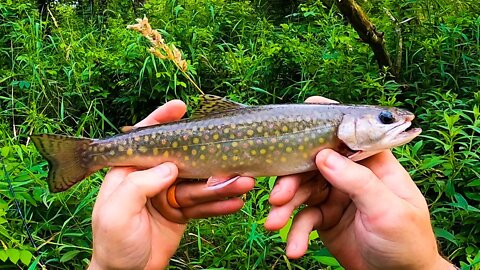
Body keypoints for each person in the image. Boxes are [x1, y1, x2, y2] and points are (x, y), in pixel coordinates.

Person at [87, 98, 456, 270]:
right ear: (350, 122)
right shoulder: (332, 132)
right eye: (386, 118)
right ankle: (88, 153)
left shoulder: (336, 134)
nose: (397, 121)